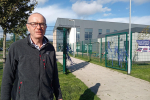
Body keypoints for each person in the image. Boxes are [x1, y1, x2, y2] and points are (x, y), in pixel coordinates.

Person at [1, 13, 63, 100]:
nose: (38, 27)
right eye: (34, 24)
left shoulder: (50, 48)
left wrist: (59, 96)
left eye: (42, 24)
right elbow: (7, 78)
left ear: (45, 27)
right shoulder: (16, 47)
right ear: (28, 27)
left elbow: (54, 76)